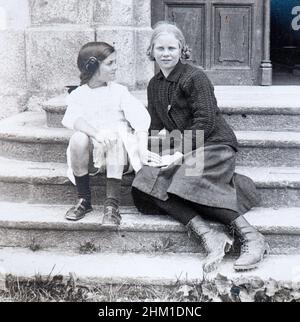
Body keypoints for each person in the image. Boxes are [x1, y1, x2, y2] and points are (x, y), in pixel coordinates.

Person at [131, 21, 269, 272]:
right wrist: (141, 148)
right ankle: (209, 236)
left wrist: (178, 154)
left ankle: (251, 236)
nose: (165, 53)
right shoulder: (154, 85)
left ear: (182, 49)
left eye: (172, 48)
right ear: (151, 51)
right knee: (146, 179)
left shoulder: (195, 77)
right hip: (186, 147)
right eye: (159, 48)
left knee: (185, 178)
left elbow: (205, 121)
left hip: (214, 144)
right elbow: (154, 124)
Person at [62, 41, 156, 224]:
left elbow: (141, 120)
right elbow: (72, 118)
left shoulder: (119, 92)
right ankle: (84, 199)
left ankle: (112, 204)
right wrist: (96, 134)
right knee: (78, 137)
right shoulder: (78, 94)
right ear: (94, 66)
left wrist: (143, 149)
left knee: (115, 135)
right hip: (92, 155)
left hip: (119, 154)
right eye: (110, 63)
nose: (116, 67)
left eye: (115, 62)